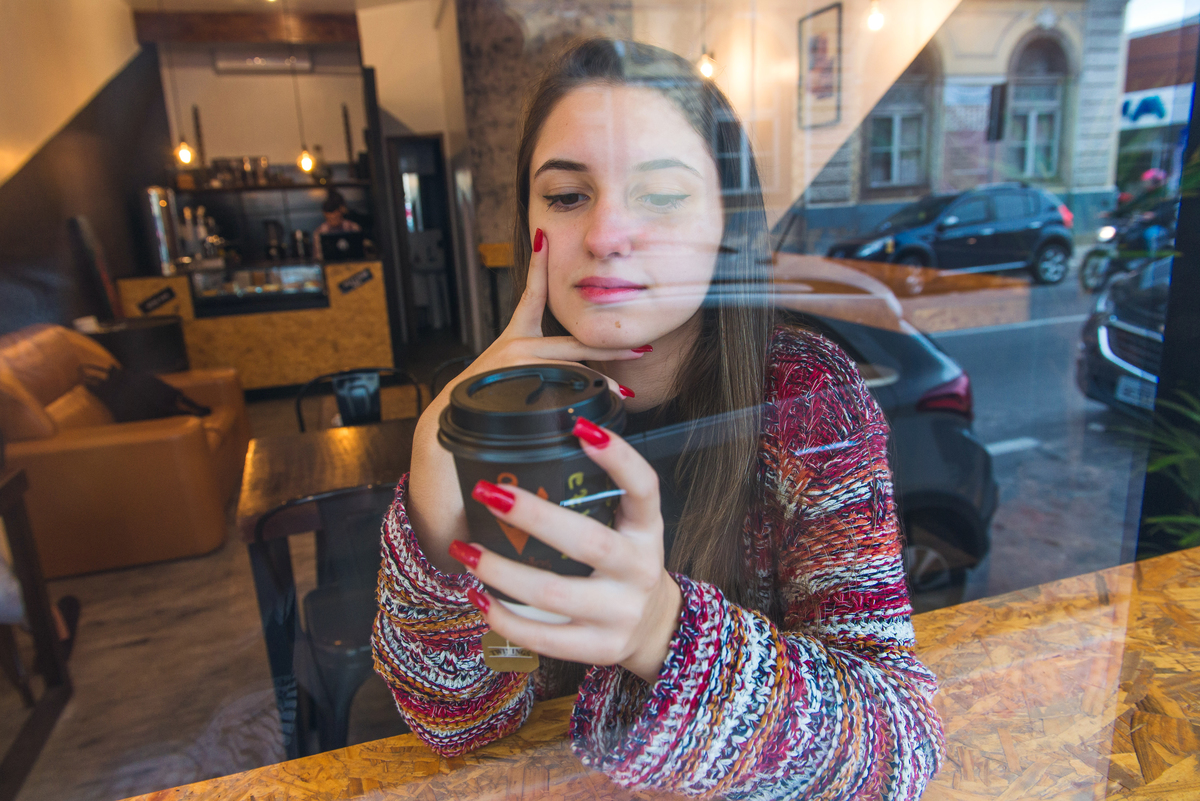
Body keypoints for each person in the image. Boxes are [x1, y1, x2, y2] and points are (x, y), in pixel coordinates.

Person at [372, 38, 943, 799]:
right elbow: (465, 724)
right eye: (568, 197)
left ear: (725, 223)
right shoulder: (494, 421)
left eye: (663, 195)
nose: (606, 235)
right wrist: (439, 520)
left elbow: (896, 745)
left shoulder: (806, 400)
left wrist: (661, 634)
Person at [312, 191, 360, 260]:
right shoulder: (319, 232)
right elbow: (318, 258)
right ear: (324, 215)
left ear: (340, 213)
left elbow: (360, 254)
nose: (333, 222)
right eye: (329, 219)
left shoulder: (353, 227)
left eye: (335, 218)